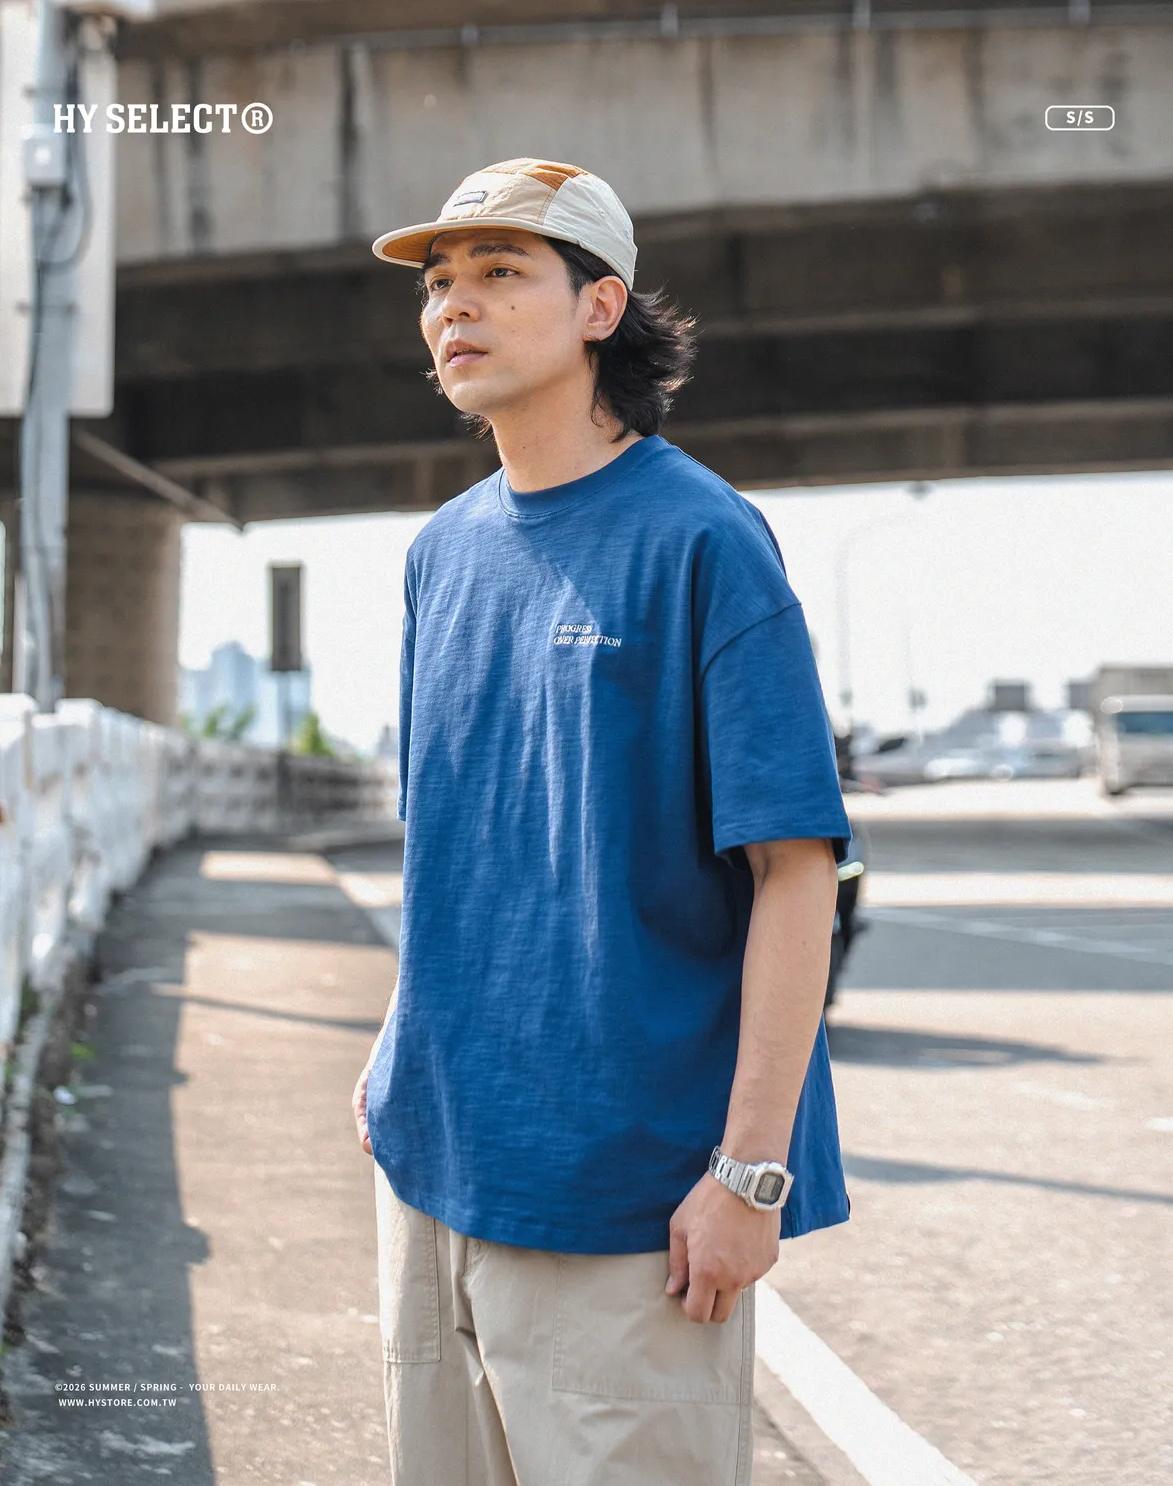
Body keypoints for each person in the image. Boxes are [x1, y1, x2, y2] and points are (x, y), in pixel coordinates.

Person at [350, 157, 852, 1486]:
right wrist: (397, 1051)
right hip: (434, 1161)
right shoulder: (442, 552)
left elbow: (797, 871)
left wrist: (750, 1174)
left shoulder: (703, 538)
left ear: (599, 306)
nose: (454, 306)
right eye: (438, 283)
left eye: (499, 272)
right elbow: (461, 843)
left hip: (632, 1198)